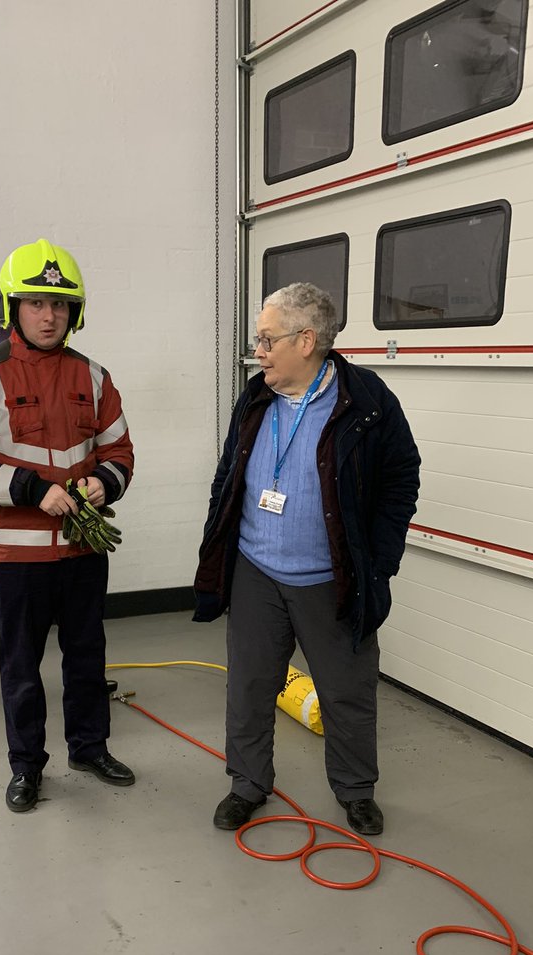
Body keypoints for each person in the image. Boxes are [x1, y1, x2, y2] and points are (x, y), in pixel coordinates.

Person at [194, 283, 420, 837]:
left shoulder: (366, 402)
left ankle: (355, 790)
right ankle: (247, 783)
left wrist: (379, 563)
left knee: (347, 691)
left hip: (332, 580)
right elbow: (229, 475)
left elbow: (400, 480)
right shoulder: (256, 397)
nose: (259, 350)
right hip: (255, 571)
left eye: (267, 339)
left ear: (307, 340)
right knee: (249, 685)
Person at [0, 238, 135, 813]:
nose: (49, 316)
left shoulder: (95, 376)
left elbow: (120, 448)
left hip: (82, 554)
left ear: (75, 311)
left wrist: (107, 480)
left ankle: (89, 747)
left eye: (59, 304)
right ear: (12, 309)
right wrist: (31, 489)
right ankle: (26, 766)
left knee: (86, 657)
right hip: (18, 557)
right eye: (35, 304)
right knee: (21, 668)